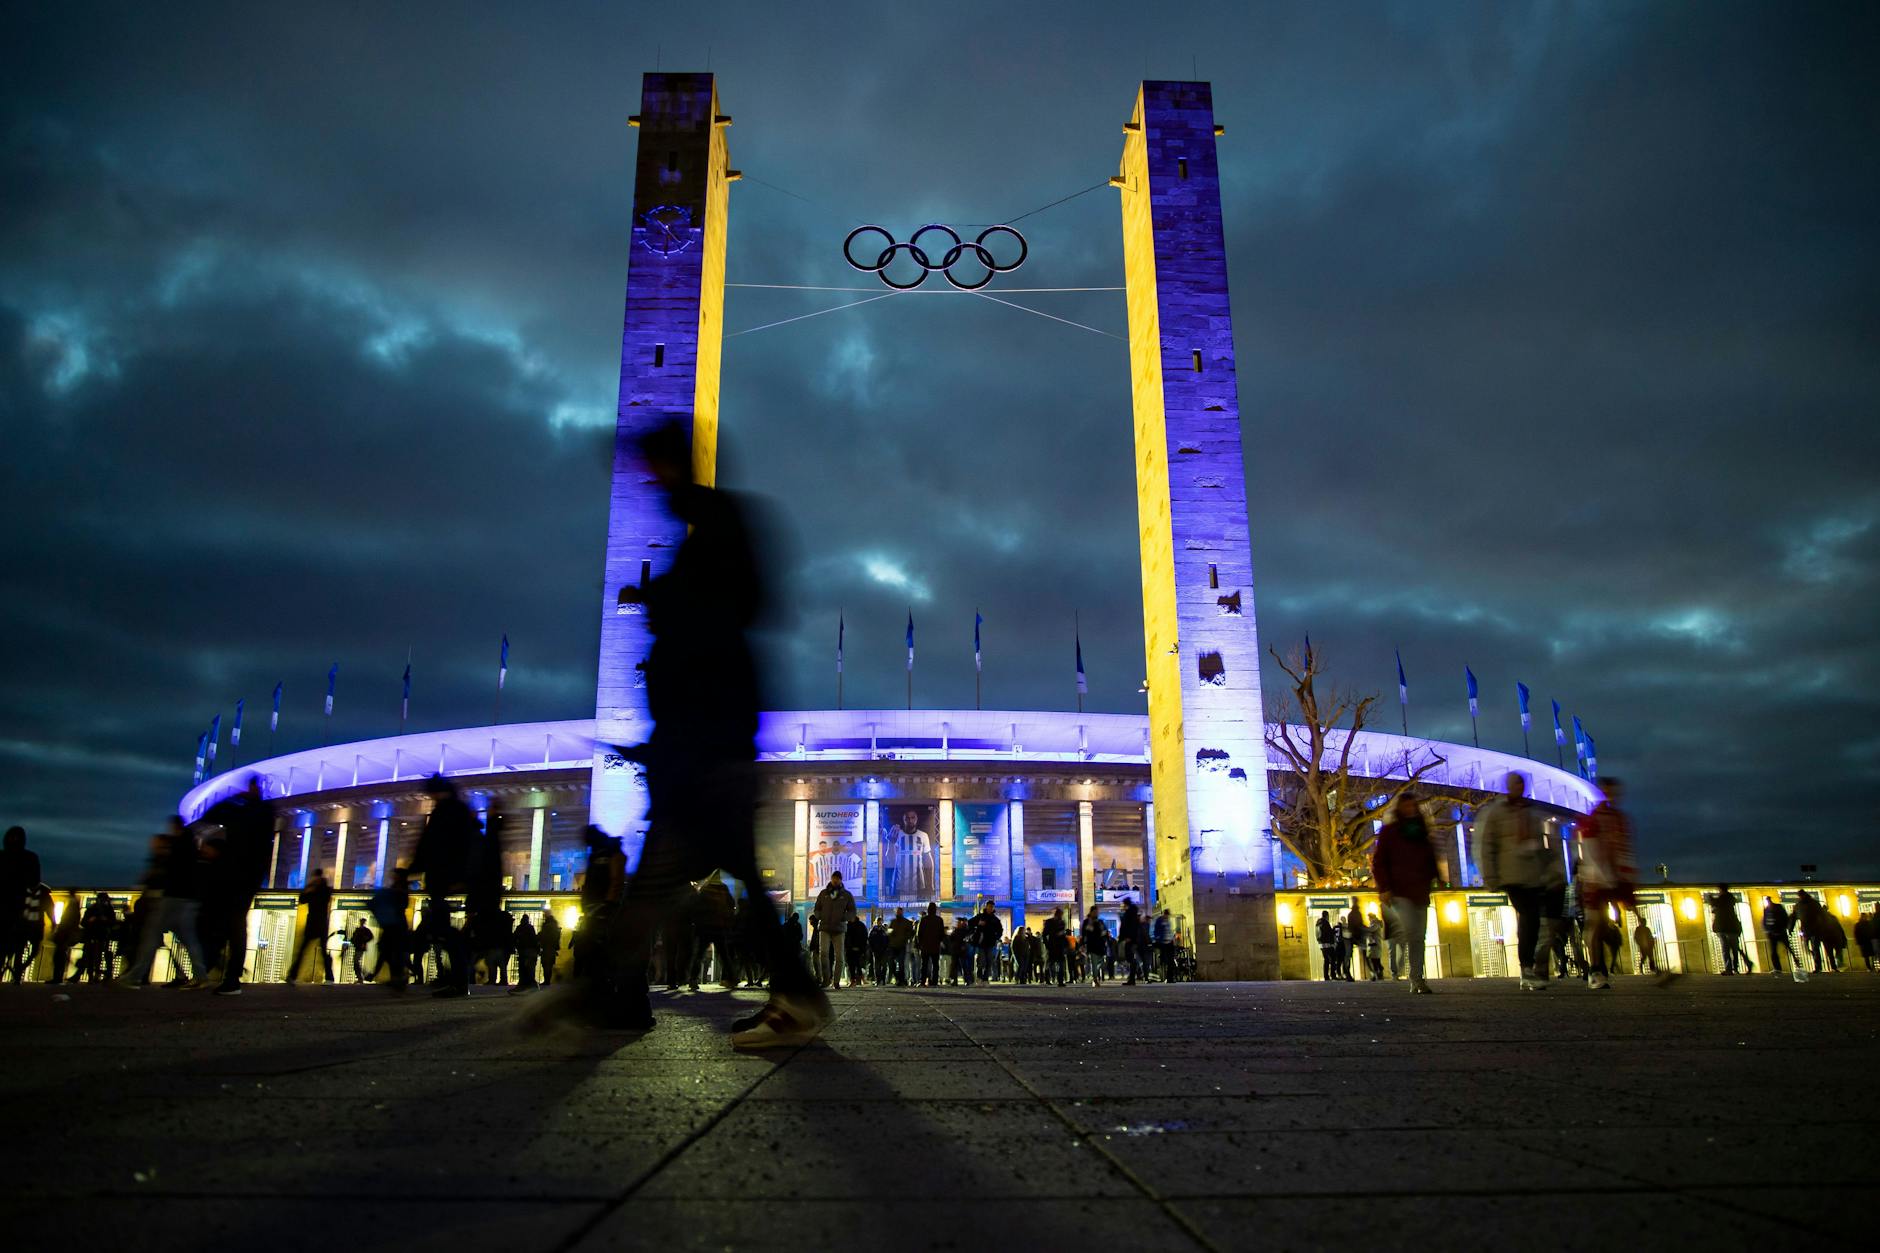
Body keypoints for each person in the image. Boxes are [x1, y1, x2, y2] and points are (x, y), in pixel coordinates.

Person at [573, 423, 827, 1045]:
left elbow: (735, 612)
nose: (647, 479)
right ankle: (618, 997)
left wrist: (665, 603)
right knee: (667, 878)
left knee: (676, 877)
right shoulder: (705, 529)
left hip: (705, 744)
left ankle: (791, 996)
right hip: (697, 742)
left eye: (652, 465)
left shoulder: (714, 526)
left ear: (672, 464)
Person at [1478, 771, 1567, 991]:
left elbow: (1541, 845)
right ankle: (1527, 968)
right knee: (1528, 915)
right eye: (1515, 783)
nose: (1519, 786)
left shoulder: (1531, 813)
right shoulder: (1496, 813)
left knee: (1533, 920)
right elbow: (1486, 845)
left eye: (1521, 783)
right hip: (1511, 875)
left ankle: (1530, 967)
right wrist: (1490, 876)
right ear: (1508, 786)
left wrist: (1549, 871)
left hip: (1532, 875)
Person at [405, 775, 484, 997]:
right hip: (447, 876)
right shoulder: (457, 810)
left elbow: (430, 844)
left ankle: (458, 979)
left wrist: (414, 867)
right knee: (442, 929)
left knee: (444, 930)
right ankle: (456, 978)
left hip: (444, 876)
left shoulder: (447, 811)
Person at [198, 774, 275, 995]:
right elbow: (209, 816)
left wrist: (233, 799)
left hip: (241, 877)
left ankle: (229, 976)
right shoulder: (258, 811)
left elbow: (210, 814)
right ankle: (221, 972)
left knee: (233, 924)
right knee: (230, 923)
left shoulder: (254, 811)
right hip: (240, 877)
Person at [123, 817, 209, 989]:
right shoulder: (191, 847)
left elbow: (167, 874)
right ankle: (201, 976)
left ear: (175, 827)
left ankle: (134, 976)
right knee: (189, 939)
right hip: (188, 899)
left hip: (171, 898)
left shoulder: (176, 848)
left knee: (151, 937)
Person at [1576, 778, 1640, 991]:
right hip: (1597, 879)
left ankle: (1599, 969)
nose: (1611, 795)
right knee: (1596, 923)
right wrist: (1598, 878)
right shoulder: (1592, 819)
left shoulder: (1620, 819)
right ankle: (1595, 970)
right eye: (1607, 791)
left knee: (1602, 924)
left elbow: (1625, 849)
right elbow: (1590, 851)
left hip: (1615, 877)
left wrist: (1627, 877)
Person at [1371, 794, 1438, 994]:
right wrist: (1384, 887)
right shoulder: (1390, 832)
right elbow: (1379, 861)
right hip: (1400, 891)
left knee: (1419, 935)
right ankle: (1415, 978)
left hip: (1420, 889)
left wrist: (1436, 876)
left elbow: (1430, 857)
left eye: (1412, 806)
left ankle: (1417, 977)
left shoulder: (1421, 833)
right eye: (1406, 806)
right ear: (1399, 809)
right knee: (1412, 932)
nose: (1410, 810)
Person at [0, 826, 42, 977]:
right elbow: (35, 883)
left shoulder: (3, 856)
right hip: (19, 908)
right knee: (17, 944)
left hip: (9, 908)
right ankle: (16, 973)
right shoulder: (30, 858)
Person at [368, 867, 412, 991]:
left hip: (396, 924)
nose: (392, 876)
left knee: (393, 951)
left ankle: (398, 977)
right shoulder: (397, 887)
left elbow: (403, 903)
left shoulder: (401, 888)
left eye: (395, 875)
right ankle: (397, 977)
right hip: (393, 924)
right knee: (389, 951)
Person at [811, 871, 857, 989]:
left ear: (841, 880)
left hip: (839, 928)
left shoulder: (846, 895)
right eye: (834, 878)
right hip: (825, 927)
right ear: (831, 879)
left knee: (839, 956)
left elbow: (852, 911)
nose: (835, 880)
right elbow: (816, 908)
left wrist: (843, 918)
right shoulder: (824, 893)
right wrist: (820, 916)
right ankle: (826, 979)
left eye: (838, 878)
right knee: (824, 954)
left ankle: (836, 982)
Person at [291, 868, 336, 984]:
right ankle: (330, 977)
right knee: (319, 951)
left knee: (304, 949)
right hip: (319, 923)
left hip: (315, 922)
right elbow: (302, 900)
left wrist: (309, 887)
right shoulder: (323, 889)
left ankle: (293, 976)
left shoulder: (320, 889)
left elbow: (302, 900)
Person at [1762, 896, 1805, 981]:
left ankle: (1797, 964)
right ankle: (1778, 968)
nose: (1768, 902)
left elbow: (1784, 918)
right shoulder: (1767, 909)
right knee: (1774, 951)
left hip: (1780, 932)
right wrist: (1767, 930)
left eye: (1768, 900)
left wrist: (1782, 928)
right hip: (1772, 933)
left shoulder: (1777, 908)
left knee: (1788, 948)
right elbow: (1765, 921)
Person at [1707, 884, 1744, 974]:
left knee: (1725, 949)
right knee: (1734, 949)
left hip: (1723, 928)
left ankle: (1729, 969)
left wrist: (1710, 898)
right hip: (1731, 928)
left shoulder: (1723, 899)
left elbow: (1715, 903)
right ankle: (1735, 968)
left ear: (1721, 890)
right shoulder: (1730, 900)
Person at [80, 892, 116, 982]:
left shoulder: (101, 909)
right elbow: (84, 922)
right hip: (97, 935)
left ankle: (94, 976)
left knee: (94, 956)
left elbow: (112, 922)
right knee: (94, 956)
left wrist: (104, 920)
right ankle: (93, 976)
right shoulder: (97, 909)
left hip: (99, 935)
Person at [916, 902, 945, 987]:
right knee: (935, 965)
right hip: (935, 946)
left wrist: (920, 944)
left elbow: (919, 933)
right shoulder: (939, 920)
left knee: (924, 965)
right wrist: (938, 941)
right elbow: (942, 934)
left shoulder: (923, 920)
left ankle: (922, 981)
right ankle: (934, 982)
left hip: (925, 946)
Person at [974, 901, 1004, 984]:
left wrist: (996, 937)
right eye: (989, 906)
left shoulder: (995, 919)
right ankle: (979, 977)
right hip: (981, 943)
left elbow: (1000, 930)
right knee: (981, 961)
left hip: (990, 943)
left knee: (989, 961)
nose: (991, 908)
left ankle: (985, 978)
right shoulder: (980, 916)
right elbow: (971, 923)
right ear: (986, 906)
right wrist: (978, 924)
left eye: (992, 907)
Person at [1080, 908, 1109, 987]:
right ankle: (1095, 979)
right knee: (1094, 963)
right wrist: (1082, 944)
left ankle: (1095, 977)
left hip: (1101, 946)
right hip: (1092, 945)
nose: (1096, 913)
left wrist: (1105, 937)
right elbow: (1084, 933)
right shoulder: (1087, 922)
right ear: (1091, 912)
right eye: (1095, 912)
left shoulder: (1100, 922)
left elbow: (1105, 932)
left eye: (1097, 912)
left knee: (1100, 963)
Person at [1117, 899, 1143, 985]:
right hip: (1131, 938)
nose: (1122, 906)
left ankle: (1132, 978)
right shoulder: (1131, 913)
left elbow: (1129, 926)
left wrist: (1128, 937)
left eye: (1123, 904)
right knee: (1130, 958)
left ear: (1125, 904)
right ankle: (1132, 978)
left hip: (1130, 939)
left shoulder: (1129, 914)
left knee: (1130, 958)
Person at [1043, 906, 1070, 986]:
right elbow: (1044, 934)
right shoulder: (1049, 922)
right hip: (1052, 946)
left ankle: (1060, 980)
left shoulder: (1062, 923)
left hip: (1059, 946)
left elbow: (1063, 935)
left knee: (1060, 963)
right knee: (1050, 963)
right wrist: (1047, 945)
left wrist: (1065, 944)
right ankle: (1048, 979)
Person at [512, 915, 539, 991]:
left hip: (523, 950)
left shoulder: (519, 928)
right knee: (529, 968)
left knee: (523, 968)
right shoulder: (530, 928)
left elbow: (514, 938)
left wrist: (516, 946)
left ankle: (524, 984)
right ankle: (530, 984)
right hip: (530, 950)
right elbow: (534, 939)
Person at [888, 907, 913, 987]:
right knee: (891, 963)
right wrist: (890, 933)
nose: (898, 913)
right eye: (897, 912)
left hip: (902, 945)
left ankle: (901, 980)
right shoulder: (892, 921)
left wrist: (905, 938)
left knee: (901, 963)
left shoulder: (906, 922)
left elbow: (911, 932)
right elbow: (888, 931)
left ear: (902, 912)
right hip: (893, 945)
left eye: (899, 912)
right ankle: (898, 978)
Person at [538, 910, 562, 986]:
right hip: (552, 947)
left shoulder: (548, 924)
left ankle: (547, 981)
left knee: (546, 965)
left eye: (545, 914)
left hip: (547, 947)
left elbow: (545, 936)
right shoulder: (554, 923)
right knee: (549, 965)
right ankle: (547, 980)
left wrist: (539, 936)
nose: (544, 915)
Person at [843, 914, 868, 988]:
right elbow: (845, 938)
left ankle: (859, 979)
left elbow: (864, 937)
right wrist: (848, 947)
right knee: (851, 965)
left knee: (858, 964)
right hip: (850, 949)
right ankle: (853, 980)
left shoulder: (860, 925)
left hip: (858, 949)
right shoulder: (848, 925)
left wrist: (861, 948)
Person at [1152, 909, 1176, 982]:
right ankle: (1165, 977)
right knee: (1165, 961)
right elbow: (1156, 931)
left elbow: (1170, 931)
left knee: (1170, 961)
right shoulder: (1159, 920)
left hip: (1169, 943)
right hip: (1163, 943)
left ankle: (1170, 978)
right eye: (1166, 915)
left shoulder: (1168, 921)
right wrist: (1158, 939)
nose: (1167, 916)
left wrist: (1172, 939)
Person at [1345, 904, 1368, 980]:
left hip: (1351, 937)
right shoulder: (1357, 914)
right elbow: (1360, 925)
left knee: (1348, 956)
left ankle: (1347, 974)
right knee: (1365, 954)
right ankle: (1371, 972)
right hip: (1356, 937)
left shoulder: (1350, 914)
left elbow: (1351, 927)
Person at [350, 918, 374, 984]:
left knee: (356, 961)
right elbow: (353, 938)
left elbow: (371, 937)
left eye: (362, 921)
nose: (361, 922)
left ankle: (361, 976)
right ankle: (361, 976)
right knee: (356, 962)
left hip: (360, 948)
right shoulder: (358, 930)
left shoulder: (365, 930)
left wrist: (364, 942)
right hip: (357, 947)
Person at [867, 916, 889, 986]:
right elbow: (870, 940)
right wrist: (872, 949)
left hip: (884, 951)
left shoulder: (884, 930)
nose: (879, 923)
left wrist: (886, 948)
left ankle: (883, 980)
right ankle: (878, 980)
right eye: (878, 921)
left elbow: (888, 939)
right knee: (877, 967)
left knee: (884, 966)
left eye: (880, 921)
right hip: (876, 951)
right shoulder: (873, 930)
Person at [1315, 911, 1337, 980]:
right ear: (1327, 915)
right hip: (1327, 944)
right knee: (1333, 959)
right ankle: (1332, 975)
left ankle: (1326, 976)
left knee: (1326, 960)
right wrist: (1334, 930)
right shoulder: (1325, 923)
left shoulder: (1318, 923)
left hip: (1321, 944)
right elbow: (1329, 933)